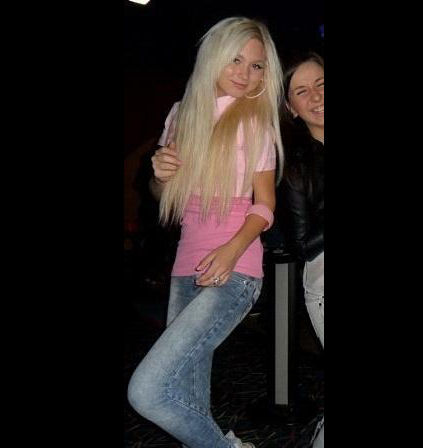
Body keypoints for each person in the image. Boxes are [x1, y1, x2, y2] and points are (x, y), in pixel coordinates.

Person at [127, 17, 284, 448]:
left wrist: (231, 251)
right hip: (185, 265)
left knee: (148, 391)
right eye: (236, 59)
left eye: (256, 65)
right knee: (188, 399)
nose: (245, 73)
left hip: (236, 267)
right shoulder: (181, 114)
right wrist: (160, 175)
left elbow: (265, 205)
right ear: (213, 56)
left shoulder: (257, 123)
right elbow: (167, 197)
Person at [278, 52, 324, 448]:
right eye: (303, 91)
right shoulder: (295, 165)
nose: (317, 97)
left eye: (322, 84)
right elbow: (300, 245)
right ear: (291, 108)